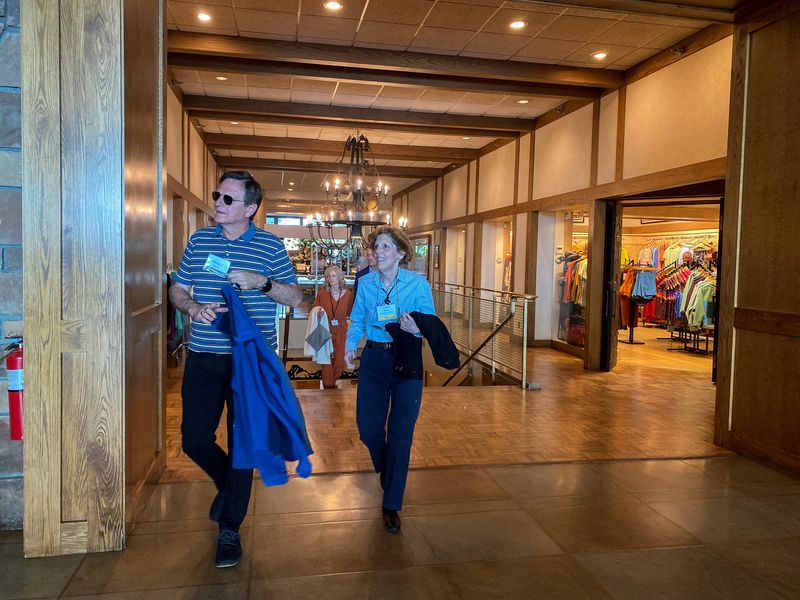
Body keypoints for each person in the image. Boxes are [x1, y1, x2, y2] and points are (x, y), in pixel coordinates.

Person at [169, 170, 301, 569]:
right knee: (193, 439)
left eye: (227, 199)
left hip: (251, 362)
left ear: (250, 209)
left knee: (243, 443)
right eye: (217, 196)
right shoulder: (199, 241)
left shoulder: (270, 247)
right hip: (204, 356)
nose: (218, 204)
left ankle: (230, 528)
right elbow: (178, 287)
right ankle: (228, 483)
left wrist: (261, 282)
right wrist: (193, 307)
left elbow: (295, 297)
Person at [344, 226, 435, 534]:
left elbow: (429, 323)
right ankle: (389, 470)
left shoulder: (417, 284)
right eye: (376, 247)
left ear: (401, 253)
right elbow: (356, 318)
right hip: (374, 358)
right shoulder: (366, 283)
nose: (378, 252)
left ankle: (392, 503)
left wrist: (416, 330)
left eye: (385, 247)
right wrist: (349, 346)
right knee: (368, 430)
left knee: (400, 435)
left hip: (407, 359)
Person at [312, 265, 354, 389]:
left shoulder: (348, 295)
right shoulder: (322, 293)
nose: (331, 278)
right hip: (325, 328)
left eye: (334, 275)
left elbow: (351, 312)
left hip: (341, 330)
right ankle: (328, 385)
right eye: (329, 276)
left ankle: (333, 380)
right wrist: (318, 312)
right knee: (325, 359)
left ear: (340, 277)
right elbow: (314, 308)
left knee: (340, 361)